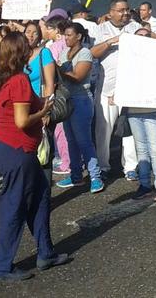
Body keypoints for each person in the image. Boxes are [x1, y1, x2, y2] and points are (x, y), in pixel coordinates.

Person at [0, 33, 71, 282]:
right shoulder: (20, 81)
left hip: (6, 146)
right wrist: (44, 110)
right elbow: (22, 121)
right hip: (17, 149)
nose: (31, 51)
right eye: (26, 48)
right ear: (20, 53)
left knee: (41, 197)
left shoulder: (1, 77)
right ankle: (2, 266)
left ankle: (46, 252)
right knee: (14, 206)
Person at [91, 0, 140, 179]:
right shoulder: (100, 29)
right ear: (111, 12)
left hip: (130, 88)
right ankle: (103, 166)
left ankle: (130, 167)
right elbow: (92, 53)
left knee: (129, 130)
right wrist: (112, 41)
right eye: (120, 10)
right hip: (107, 88)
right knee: (104, 130)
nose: (125, 13)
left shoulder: (135, 27)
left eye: (127, 10)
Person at [54, 23, 103, 193]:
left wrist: (57, 70)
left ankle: (96, 176)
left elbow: (78, 76)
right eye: (65, 35)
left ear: (79, 36)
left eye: (69, 35)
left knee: (84, 141)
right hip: (67, 100)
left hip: (81, 99)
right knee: (71, 141)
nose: (66, 38)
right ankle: (76, 175)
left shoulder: (85, 53)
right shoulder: (63, 53)